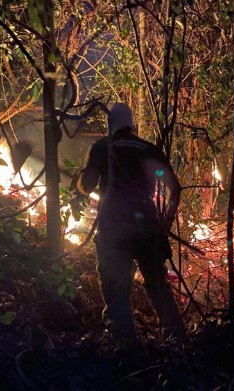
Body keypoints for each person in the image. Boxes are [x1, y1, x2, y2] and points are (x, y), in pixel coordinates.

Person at [77, 102, 186, 345]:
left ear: (110, 125)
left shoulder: (104, 147)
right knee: (158, 285)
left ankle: (127, 349)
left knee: (117, 288)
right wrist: (165, 222)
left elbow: (86, 186)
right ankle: (178, 342)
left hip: (115, 226)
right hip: (147, 226)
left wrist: (84, 173)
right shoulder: (148, 149)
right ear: (132, 125)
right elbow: (174, 187)